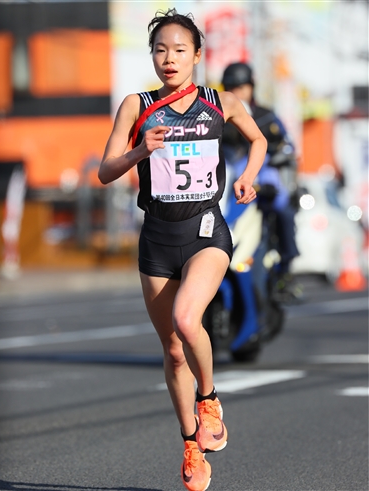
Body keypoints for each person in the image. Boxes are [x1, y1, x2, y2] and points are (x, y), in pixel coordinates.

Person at [98, 9, 266, 491]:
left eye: (178, 50)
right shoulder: (137, 105)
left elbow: (257, 141)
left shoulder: (220, 102)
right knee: (173, 353)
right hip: (157, 237)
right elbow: (105, 170)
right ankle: (191, 442)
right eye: (159, 49)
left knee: (187, 321)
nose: (168, 58)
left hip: (206, 230)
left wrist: (249, 178)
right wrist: (138, 151)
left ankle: (209, 399)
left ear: (196, 54)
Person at [221, 62, 302, 302]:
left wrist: (278, 164)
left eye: (242, 87)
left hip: (265, 182)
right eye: (232, 88)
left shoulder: (266, 117)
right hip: (230, 186)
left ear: (251, 88)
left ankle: (285, 271)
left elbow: (286, 147)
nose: (238, 93)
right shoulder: (217, 117)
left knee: (283, 211)